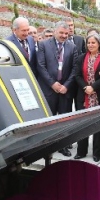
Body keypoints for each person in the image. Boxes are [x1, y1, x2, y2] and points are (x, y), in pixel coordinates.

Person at [36, 21, 78, 157]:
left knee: (65, 119)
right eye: (61, 33)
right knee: (48, 119)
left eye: (66, 33)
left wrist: (66, 85)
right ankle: (46, 146)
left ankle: (63, 146)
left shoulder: (72, 47)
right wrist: (52, 84)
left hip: (65, 89)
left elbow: (75, 68)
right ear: (55, 31)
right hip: (49, 89)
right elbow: (41, 66)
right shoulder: (43, 45)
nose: (64, 35)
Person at [74, 34, 100, 161]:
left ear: (99, 44)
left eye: (93, 43)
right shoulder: (81, 58)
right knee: (83, 124)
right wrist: (86, 87)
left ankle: (97, 152)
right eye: (88, 43)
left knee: (98, 124)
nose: (90, 45)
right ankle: (81, 151)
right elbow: (77, 75)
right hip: (84, 95)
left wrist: (94, 87)